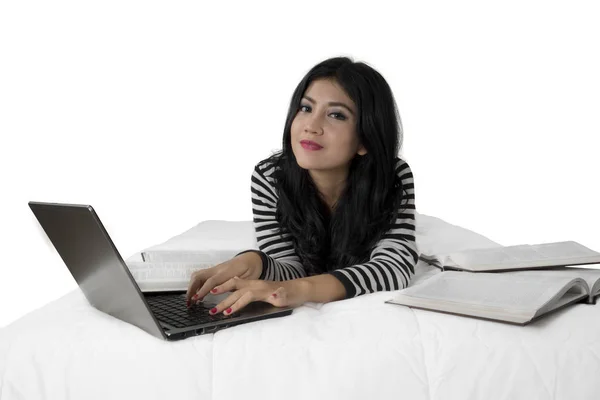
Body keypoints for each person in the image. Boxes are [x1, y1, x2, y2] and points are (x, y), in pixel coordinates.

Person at [185, 56, 418, 316]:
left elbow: (394, 269)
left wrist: (298, 290)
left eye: (336, 115)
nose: (311, 126)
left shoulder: (393, 177)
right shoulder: (269, 177)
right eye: (306, 108)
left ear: (365, 138)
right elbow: (292, 268)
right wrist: (256, 262)